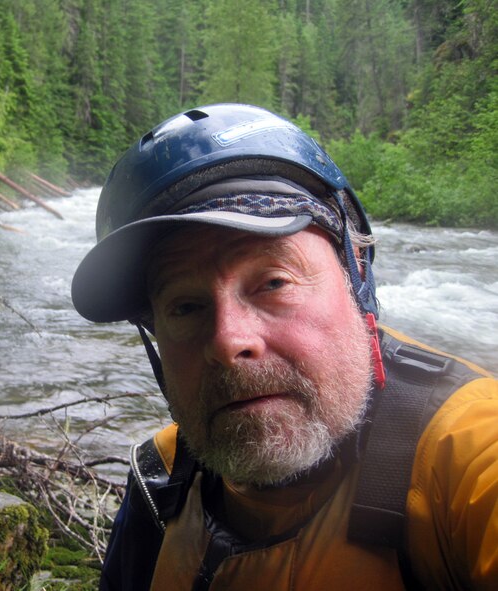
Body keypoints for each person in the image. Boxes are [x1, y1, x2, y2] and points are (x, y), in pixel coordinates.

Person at [70, 104, 498, 590]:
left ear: (355, 271)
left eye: (273, 282)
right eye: (185, 307)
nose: (229, 340)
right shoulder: (161, 479)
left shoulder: (468, 457)